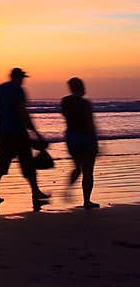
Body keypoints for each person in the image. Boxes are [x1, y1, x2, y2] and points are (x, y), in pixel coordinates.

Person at [0, 67, 50, 213]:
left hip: (4, 131)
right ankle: (35, 191)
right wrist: (35, 132)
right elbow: (22, 111)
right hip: (18, 132)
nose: (23, 80)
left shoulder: (0, 89)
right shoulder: (18, 90)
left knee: (1, 163)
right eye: (22, 77)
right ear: (16, 77)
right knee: (27, 163)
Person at [61, 77, 99, 208]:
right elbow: (90, 123)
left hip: (71, 138)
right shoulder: (85, 104)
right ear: (81, 88)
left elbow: (67, 116)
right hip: (86, 137)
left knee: (77, 168)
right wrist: (96, 142)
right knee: (88, 171)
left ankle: (68, 189)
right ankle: (87, 201)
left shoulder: (65, 102)